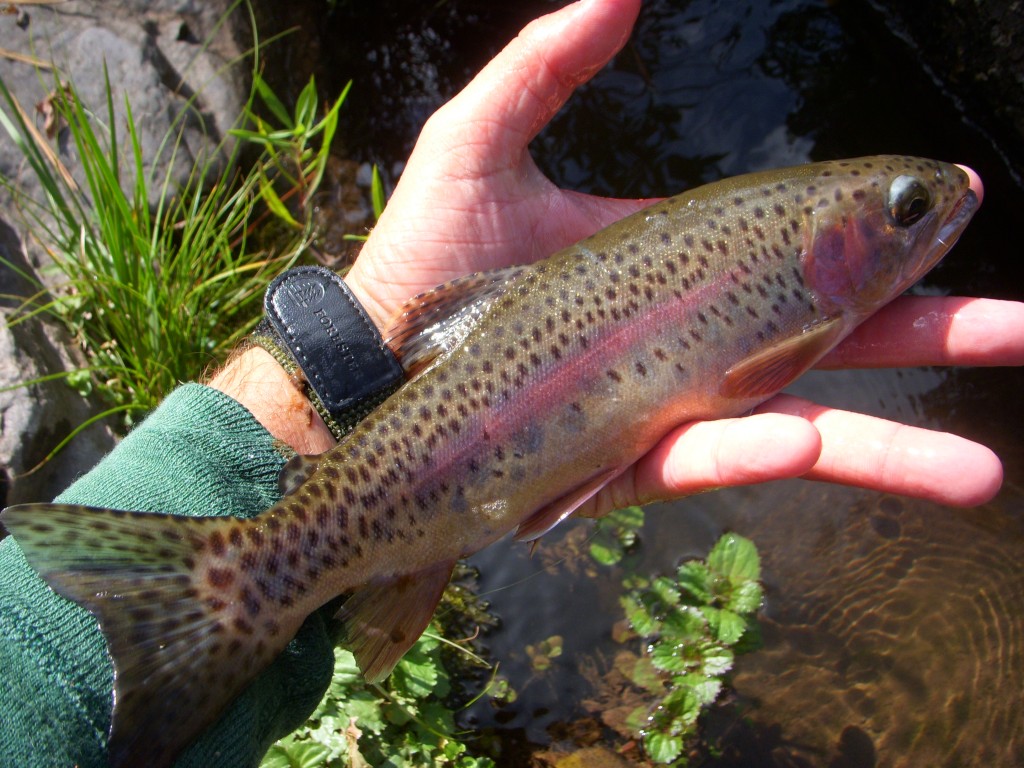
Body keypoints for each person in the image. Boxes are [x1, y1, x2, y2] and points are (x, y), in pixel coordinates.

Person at [1, 0, 1021, 765]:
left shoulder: (790, 263)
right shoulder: (789, 279)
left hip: (418, 476)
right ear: (827, 237)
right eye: (904, 208)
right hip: (409, 470)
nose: (939, 209)